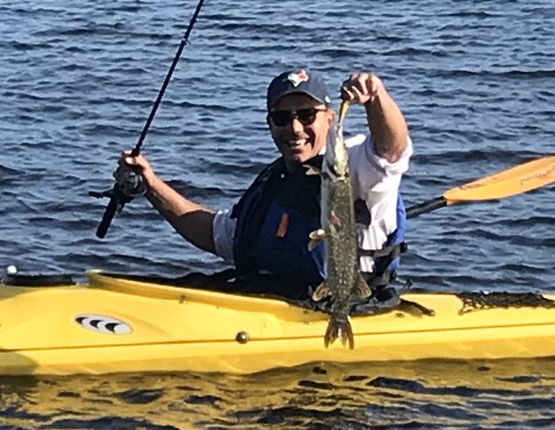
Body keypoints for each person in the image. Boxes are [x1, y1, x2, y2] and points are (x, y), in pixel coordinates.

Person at [122, 67, 412, 294]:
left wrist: (376, 98)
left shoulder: (356, 164)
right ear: (269, 124)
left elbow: (391, 149)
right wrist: (150, 185)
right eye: (282, 118)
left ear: (330, 118)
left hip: (344, 305)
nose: (295, 128)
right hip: (272, 304)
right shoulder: (274, 180)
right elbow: (217, 234)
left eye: (307, 115)